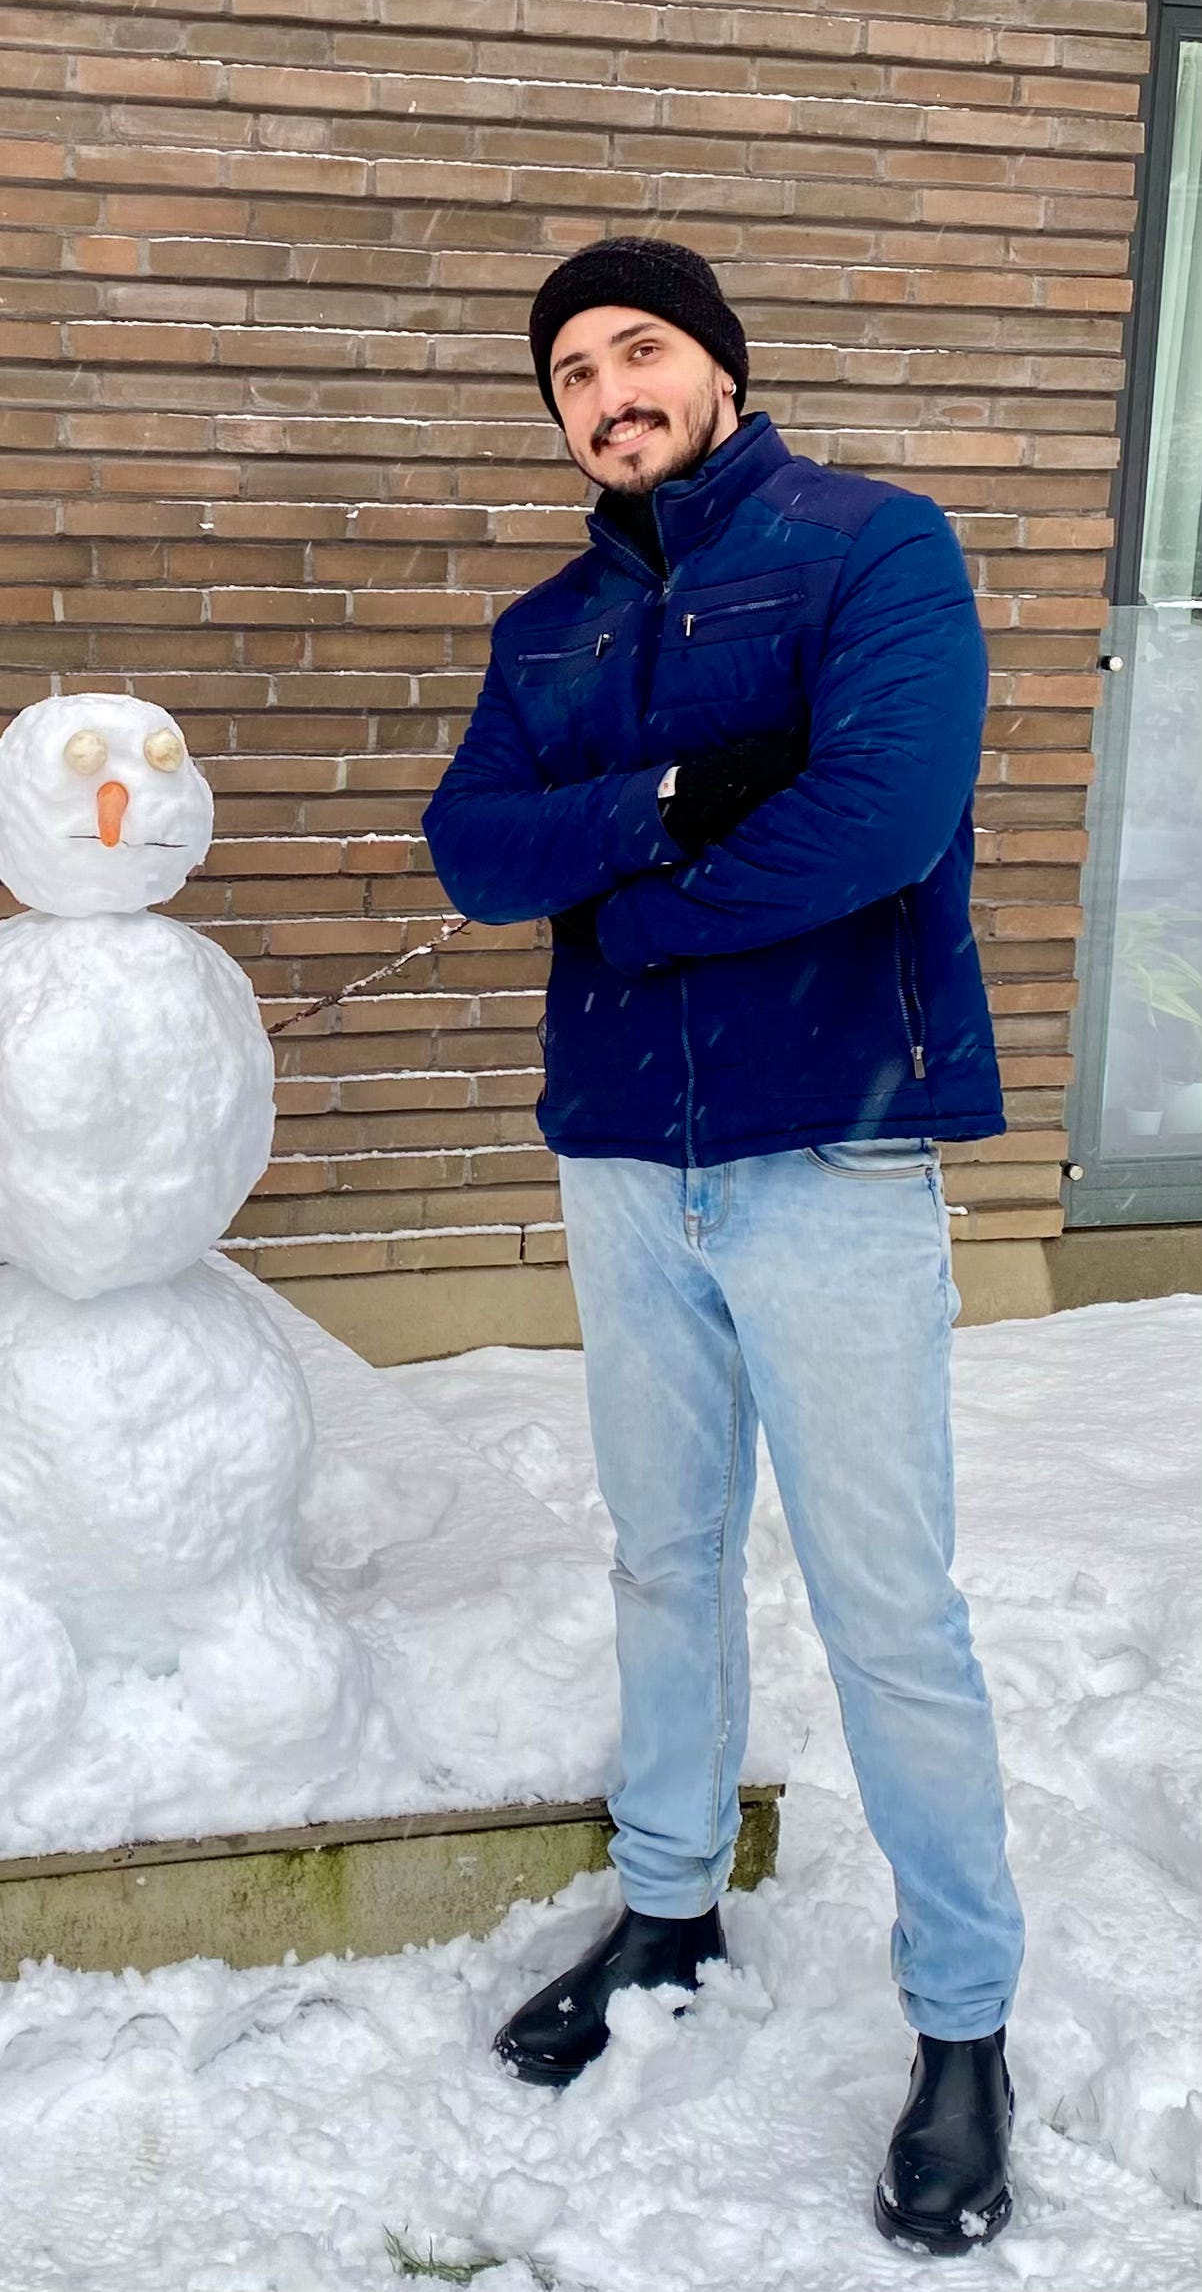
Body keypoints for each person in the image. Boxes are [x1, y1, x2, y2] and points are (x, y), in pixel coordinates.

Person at [423, 238, 1025, 2257]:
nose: (608, 393)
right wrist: (664, 796)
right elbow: (468, 846)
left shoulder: (871, 548)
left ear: (720, 368)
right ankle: (664, 1905)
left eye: (639, 350)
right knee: (660, 1556)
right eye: (571, 374)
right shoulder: (545, 628)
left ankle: (962, 2024)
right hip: (623, 1163)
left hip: (829, 1152)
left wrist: (636, 906)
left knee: (887, 1608)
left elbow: (880, 813)